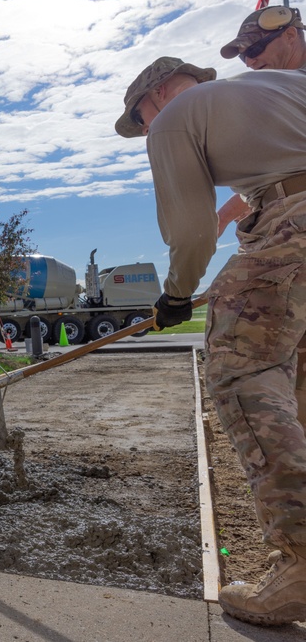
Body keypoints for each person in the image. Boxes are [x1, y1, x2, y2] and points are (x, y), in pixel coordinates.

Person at [115, 56, 306, 625]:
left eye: (141, 117)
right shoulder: (278, 88)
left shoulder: (179, 113)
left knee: (240, 367)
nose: (148, 129)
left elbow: (190, 230)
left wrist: (176, 294)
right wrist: (239, 212)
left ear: (163, 92)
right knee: (293, 375)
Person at [216, 6, 306, 237]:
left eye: (255, 48)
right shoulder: (284, 95)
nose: (250, 61)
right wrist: (225, 215)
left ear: (289, 35)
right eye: (243, 56)